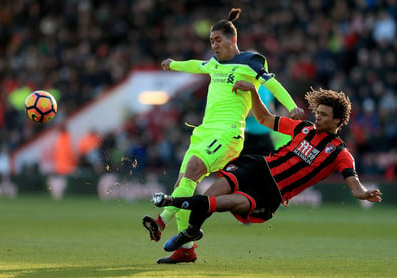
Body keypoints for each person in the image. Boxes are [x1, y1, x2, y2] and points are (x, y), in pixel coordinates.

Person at [142, 8, 304, 264]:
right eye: (211, 41)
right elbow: (199, 65)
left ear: (232, 39)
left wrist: (292, 105)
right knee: (183, 184)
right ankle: (187, 249)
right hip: (204, 132)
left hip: (228, 134)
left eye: (218, 40)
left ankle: (161, 221)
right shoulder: (215, 63)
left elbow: (273, 83)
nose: (214, 45)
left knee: (193, 169)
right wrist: (173, 64)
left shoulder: (252, 61)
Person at [150, 83, 383, 255]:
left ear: (338, 121)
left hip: (271, 193)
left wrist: (362, 192)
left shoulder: (340, 153)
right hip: (258, 168)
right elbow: (264, 118)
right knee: (209, 194)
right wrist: (252, 91)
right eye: (317, 113)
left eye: (323, 115)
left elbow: (353, 182)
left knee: (224, 203)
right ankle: (190, 230)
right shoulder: (303, 128)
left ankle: (170, 205)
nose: (317, 118)